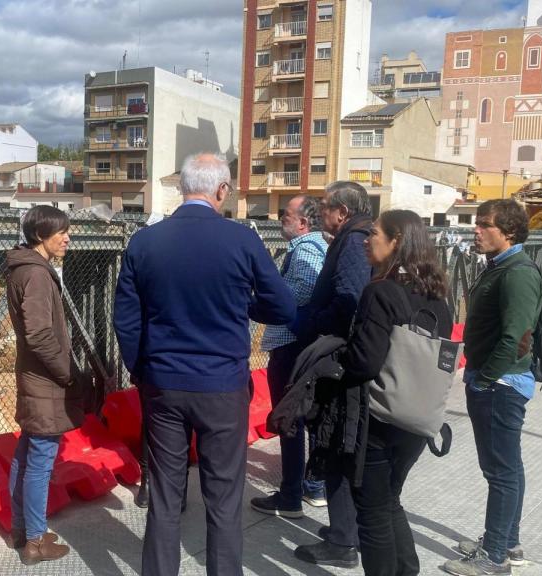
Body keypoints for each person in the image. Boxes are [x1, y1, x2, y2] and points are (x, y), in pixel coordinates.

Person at [114, 153, 294, 576]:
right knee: (224, 495)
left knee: (164, 494)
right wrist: (241, 303)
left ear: (182, 188)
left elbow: (125, 317)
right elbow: (283, 306)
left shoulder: (145, 241)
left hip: (163, 383)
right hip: (222, 385)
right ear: (222, 190)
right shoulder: (243, 239)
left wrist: (141, 370)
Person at [339, 210, 452, 576]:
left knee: (371, 513)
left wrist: (339, 354)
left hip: (380, 420)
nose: (365, 239)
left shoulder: (380, 292)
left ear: (396, 241)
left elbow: (365, 363)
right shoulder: (438, 299)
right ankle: (407, 569)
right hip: (419, 421)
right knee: (389, 500)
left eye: (373, 233)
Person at [443, 199, 542, 576]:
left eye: (485, 225)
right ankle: (506, 540)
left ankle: (495, 557)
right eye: (477, 223)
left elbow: (515, 336)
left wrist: (484, 381)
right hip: (495, 381)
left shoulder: (517, 272)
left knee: (500, 472)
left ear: (510, 231)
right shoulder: (499, 266)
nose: (477, 230)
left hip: (500, 384)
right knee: (507, 468)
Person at [292, 181, 374, 569]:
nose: (318, 213)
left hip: (341, 361)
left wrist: (313, 322)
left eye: (324, 207)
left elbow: (350, 303)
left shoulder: (354, 243)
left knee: (338, 445)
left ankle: (343, 541)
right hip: (343, 355)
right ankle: (345, 530)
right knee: (338, 444)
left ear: (342, 212)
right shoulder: (357, 239)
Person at [4, 205, 85, 564]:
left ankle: (22, 529)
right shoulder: (36, 274)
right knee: (40, 461)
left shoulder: (24, 268)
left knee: (26, 455)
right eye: (61, 232)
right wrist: (67, 371)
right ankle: (34, 542)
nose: (67, 237)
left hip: (33, 376)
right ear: (40, 236)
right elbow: (38, 334)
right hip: (46, 381)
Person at [250, 195, 329, 518]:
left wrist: (263, 294)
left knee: (290, 419)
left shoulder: (306, 250)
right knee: (304, 418)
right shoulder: (314, 247)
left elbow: (300, 293)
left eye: (287, 214)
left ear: (304, 223)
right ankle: (312, 485)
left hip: (291, 346)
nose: (282, 218)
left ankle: (291, 494)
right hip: (302, 345)